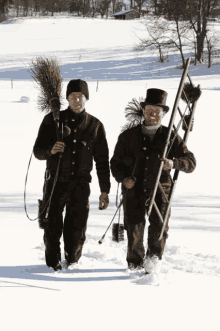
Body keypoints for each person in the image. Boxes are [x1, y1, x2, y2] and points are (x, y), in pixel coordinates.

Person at [110, 88, 196, 273]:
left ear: (164, 113)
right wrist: (124, 179)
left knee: (159, 229)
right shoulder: (127, 136)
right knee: (134, 229)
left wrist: (173, 163)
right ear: (143, 110)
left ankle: (153, 266)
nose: (153, 113)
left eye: (158, 110)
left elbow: (191, 162)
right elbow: (115, 163)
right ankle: (134, 267)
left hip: (161, 189)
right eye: (149, 109)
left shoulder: (170, 136)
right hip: (134, 190)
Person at [34, 79, 110, 271]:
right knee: (52, 227)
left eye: (80, 96)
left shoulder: (96, 126)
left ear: (87, 98)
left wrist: (105, 190)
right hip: (55, 182)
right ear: (66, 98)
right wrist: (50, 151)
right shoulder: (52, 120)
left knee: (77, 229)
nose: (76, 100)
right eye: (72, 96)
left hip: (81, 185)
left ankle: (73, 263)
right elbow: (37, 151)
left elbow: (102, 161)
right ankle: (52, 266)